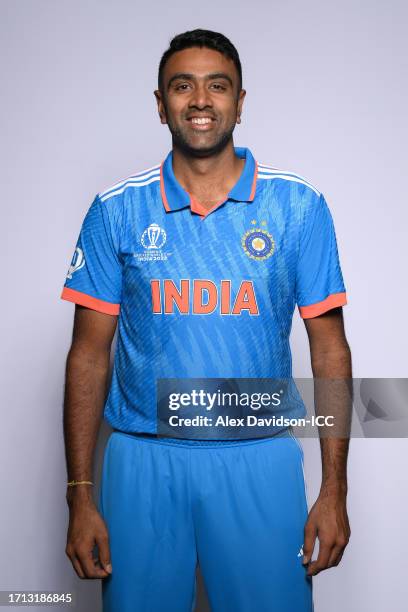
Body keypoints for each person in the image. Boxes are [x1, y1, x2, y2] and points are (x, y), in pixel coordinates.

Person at [61, 29, 351, 612]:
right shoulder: (117, 208)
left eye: (217, 86)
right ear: (160, 102)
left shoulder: (298, 206)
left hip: (260, 455)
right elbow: (88, 355)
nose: (200, 100)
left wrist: (335, 489)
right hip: (143, 459)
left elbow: (329, 351)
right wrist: (80, 496)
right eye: (182, 86)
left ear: (240, 102)